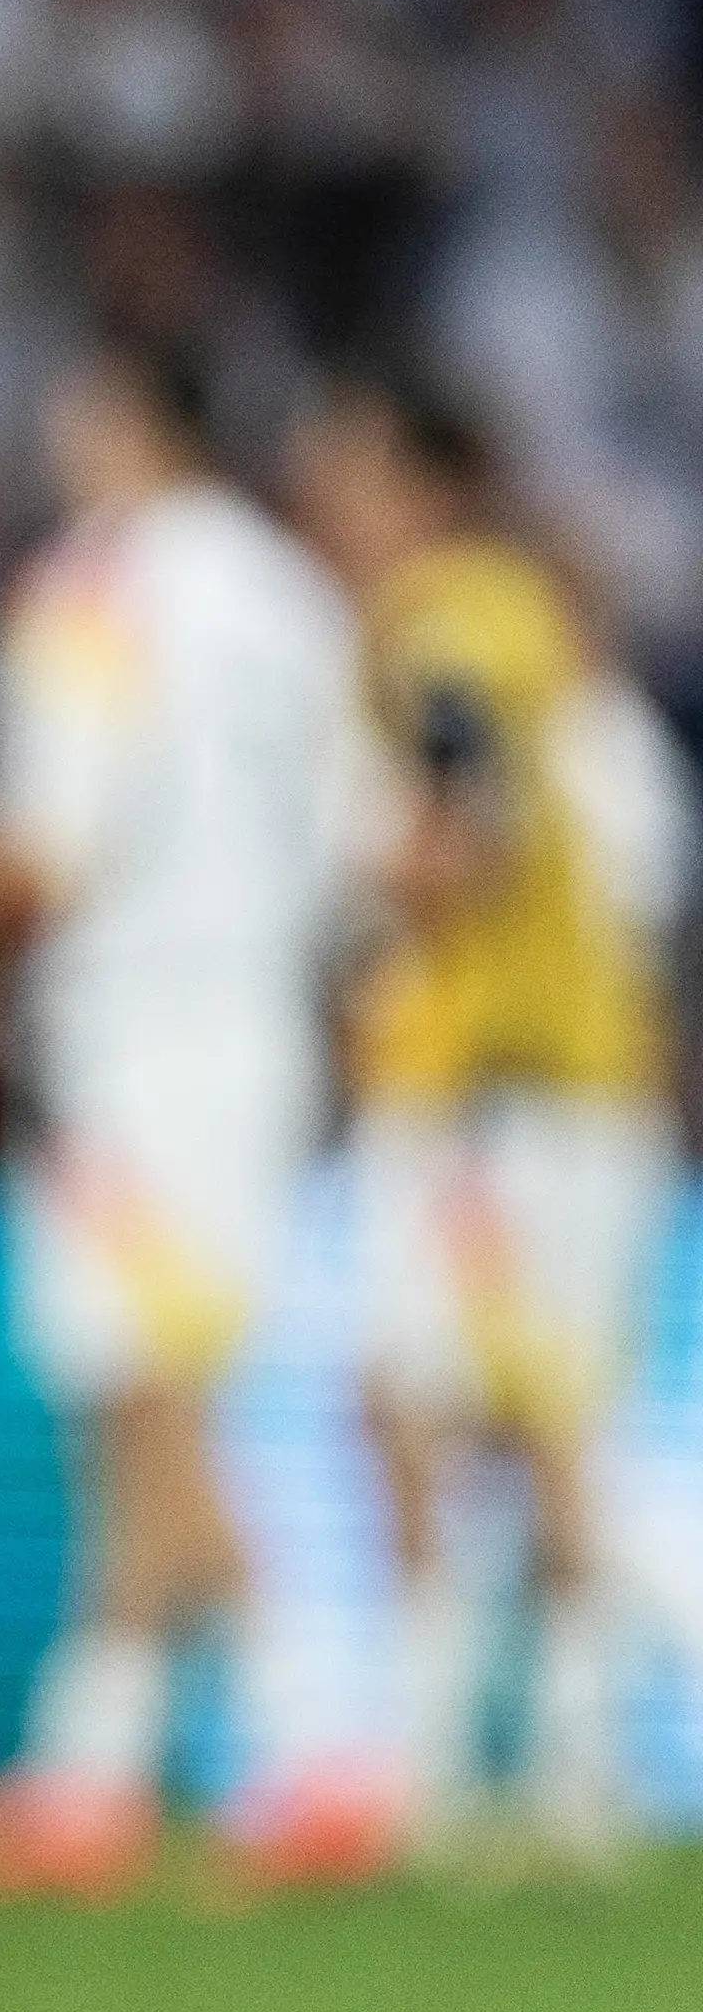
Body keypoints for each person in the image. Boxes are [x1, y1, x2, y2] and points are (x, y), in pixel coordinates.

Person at [0, 331, 380, 1904]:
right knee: (148, 1406)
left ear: (125, 422)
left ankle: (314, 1750)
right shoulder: (295, 596)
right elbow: (365, 860)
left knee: (146, 1405)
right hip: (258, 1036)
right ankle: (91, 1777)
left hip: (124, 1031)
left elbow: (35, 848)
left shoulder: (97, 588)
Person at [293, 376, 680, 1872]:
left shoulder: (448, 614)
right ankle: (512, 1765)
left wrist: (375, 906)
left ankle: (537, 1766)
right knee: (450, 1403)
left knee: (500, 1410)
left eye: (348, 463)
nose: (326, 497)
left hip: (504, 1089)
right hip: (536, 1087)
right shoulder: (554, 662)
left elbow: (469, 821)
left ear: (419, 477)